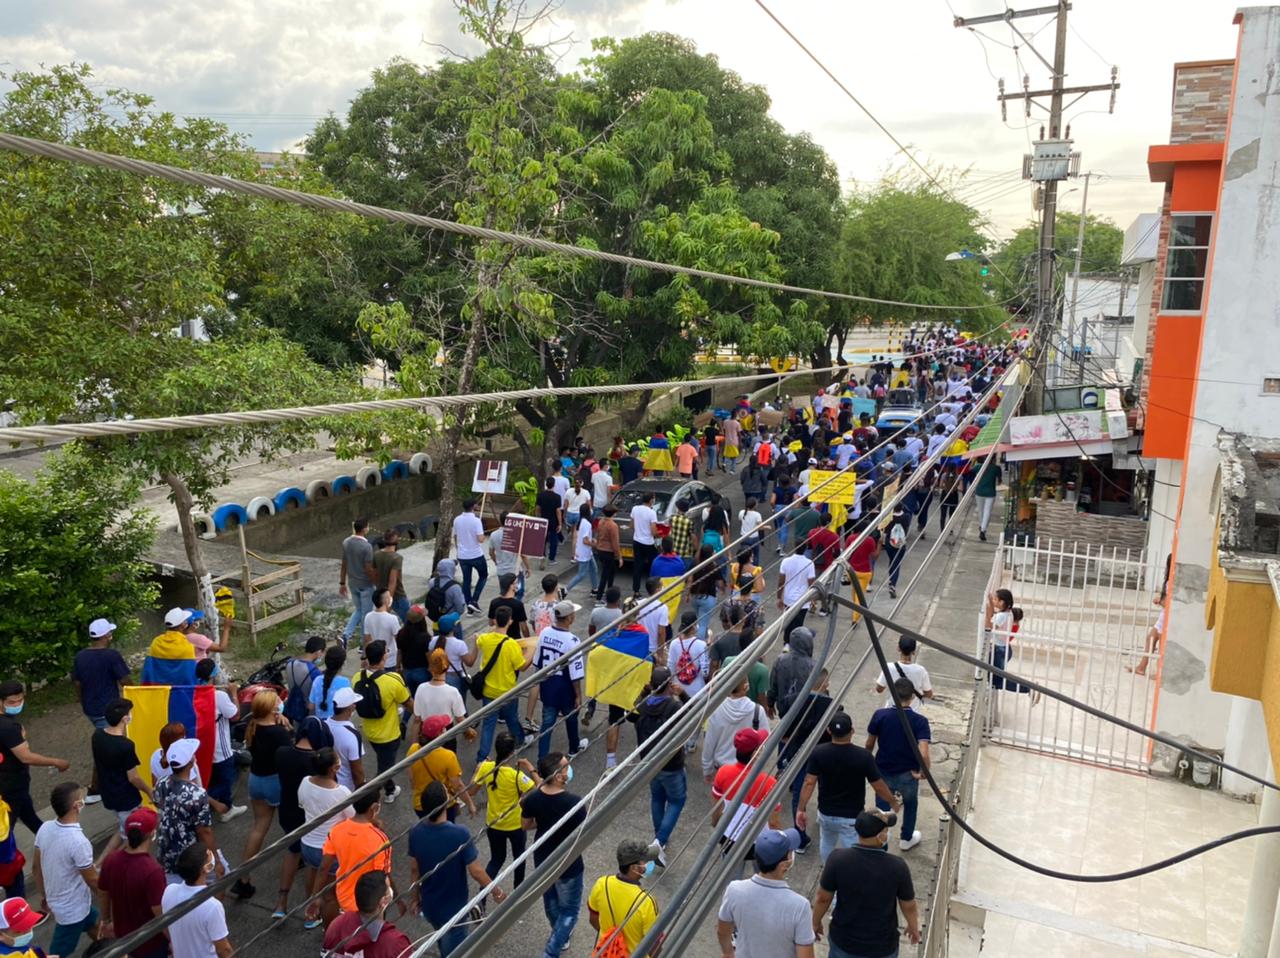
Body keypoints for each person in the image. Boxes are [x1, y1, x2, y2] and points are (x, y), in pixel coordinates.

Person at [409, 781, 504, 955]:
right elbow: (476, 871)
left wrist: (415, 898)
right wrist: (496, 891)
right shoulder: (460, 834)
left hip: (430, 906)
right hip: (454, 912)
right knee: (455, 950)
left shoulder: (415, 832)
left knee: (441, 938)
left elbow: (415, 869)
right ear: (446, 803)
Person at [812, 810, 919, 958]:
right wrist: (913, 926)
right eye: (886, 830)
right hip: (882, 946)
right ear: (880, 835)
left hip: (844, 941)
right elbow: (909, 905)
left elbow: (822, 898)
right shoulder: (897, 867)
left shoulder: (837, 859)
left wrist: (815, 922)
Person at [796, 712, 898, 861]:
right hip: (851, 817)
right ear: (852, 731)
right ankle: (849, 877)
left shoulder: (818, 753)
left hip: (826, 813)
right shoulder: (864, 756)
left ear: (829, 731)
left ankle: (828, 871)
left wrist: (801, 808)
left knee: (827, 842)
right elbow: (879, 786)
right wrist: (892, 801)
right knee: (853, 852)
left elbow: (809, 782)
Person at [520, 752, 586, 958]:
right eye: (566, 767)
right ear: (558, 776)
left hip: (543, 859)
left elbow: (525, 825)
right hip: (569, 863)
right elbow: (582, 831)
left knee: (550, 901)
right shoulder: (574, 803)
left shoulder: (533, 799)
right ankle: (553, 948)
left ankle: (560, 934)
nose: (569, 769)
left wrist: (544, 822)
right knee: (570, 910)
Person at [229, 689, 292, 900]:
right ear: (272, 708)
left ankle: (243, 876)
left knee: (259, 828)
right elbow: (288, 755)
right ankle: (296, 854)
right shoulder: (280, 733)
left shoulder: (253, 726)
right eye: (277, 702)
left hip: (256, 781)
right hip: (275, 782)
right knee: (290, 824)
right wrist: (288, 727)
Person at [717, 828, 815, 958]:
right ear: (784, 865)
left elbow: (722, 931)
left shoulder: (734, 890)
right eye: (790, 851)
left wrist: (728, 952)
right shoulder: (800, 906)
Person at [33, 783, 99, 957]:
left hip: (68, 904)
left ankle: (111, 948)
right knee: (58, 953)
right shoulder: (79, 842)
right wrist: (110, 900)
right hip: (72, 911)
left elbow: (36, 867)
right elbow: (93, 880)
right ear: (76, 806)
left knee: (96, 927)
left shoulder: (45, 828)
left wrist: (44, 895)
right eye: (81, 798)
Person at [272, 716, 328, 921]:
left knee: (292, 851)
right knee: (313, 865)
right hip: (307, 815)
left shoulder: (282, 753)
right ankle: (311, 910)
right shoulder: (316, 761)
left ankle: (281, 903)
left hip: (286, 811)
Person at [866, 678, 931, 852]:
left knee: (882, 807)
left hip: (882, 770)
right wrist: (924, 772)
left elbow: (870, 743)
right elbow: (923, 753)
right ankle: (906, 838)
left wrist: (868, 762)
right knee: (910, 804)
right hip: (908, 773)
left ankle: (882, 842)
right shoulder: (920, 721)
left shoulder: (880, 715)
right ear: (912, 697)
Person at [633, 667, 689, 865]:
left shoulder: (643, 704)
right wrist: (683, 694)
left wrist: (645, 691)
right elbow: (694, 714)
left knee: (657, 798)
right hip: (671, 764)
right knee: (677, 801)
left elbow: (633, 707)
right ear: (669, 685)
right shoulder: (673, 707)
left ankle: (660, 838)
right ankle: (659, 841)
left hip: (650, 762)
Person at [471, 731, 538, 889]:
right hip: (515, 825)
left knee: (496, 859)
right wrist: (530, 767)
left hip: (493, 824)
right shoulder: (516, 775)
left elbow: (471, 791)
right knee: (519, 858)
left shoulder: (486, 767)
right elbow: (538, 787)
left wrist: (477, 770)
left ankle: (482, 897)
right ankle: (517, 892)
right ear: (513, 752)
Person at [0, 681, 67, 837]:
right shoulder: (8, 727)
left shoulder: (8, 723)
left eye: (20, 700)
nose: (17, 705)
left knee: (28, 815)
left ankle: (49, 839)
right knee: (6, 826)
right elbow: (25, 757)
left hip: (13, 784)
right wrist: (56, 762)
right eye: (11, 702)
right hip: (11, 784)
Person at [97, 807, 166, 958]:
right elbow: (159, 913)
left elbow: (103, 892)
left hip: (123, 939)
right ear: (152, 833)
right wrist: (172, 938)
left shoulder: (111, 860)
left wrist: (106, 919)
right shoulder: (153, 871)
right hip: (151, 943)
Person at [711, 730, 782, 877]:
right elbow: (773, 822)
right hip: (760, 841)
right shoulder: (769, 783)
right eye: (760, 746)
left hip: (729, 836)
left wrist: (716, 825)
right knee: (765, 878)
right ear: (754, 753)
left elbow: (717, 808)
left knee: (731, 880)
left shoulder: (723, 772)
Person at [298, 747, 352, 929]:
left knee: (311, 872)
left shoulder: (305, 782)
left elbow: (301, 804)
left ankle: (312, 914)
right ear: (332, 770)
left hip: (307, 843)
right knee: (330, 897)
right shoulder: (341, 793)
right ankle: (329, 935)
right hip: (329, 850)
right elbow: (352, 817)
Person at [90, 698, 152, 857]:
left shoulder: (97, 736)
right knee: (129, 839)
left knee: (123, 829)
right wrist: (149, 791)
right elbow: (133, 778)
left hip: (109, 793)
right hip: (126, 798)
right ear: (125, 718)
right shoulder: (125, 746)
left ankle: (99, 862)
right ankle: (106, 865)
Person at [319, 791, 393, 920]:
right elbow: (382, 876)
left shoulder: (336, 829)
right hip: (370, 902)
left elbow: (324, 867)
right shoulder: (380, 839)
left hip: (343, 897)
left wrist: (316, 896)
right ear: (374, 807)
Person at [474, 606, 534, 762]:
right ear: (510, 622)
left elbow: (478, 639)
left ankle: (482, 758)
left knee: (488, 725)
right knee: (512, 719)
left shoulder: (486, 639)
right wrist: (532, 652)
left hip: (488, 691)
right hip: (508, 691)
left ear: (494, 621)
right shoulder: (511, 645)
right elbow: (522, 666)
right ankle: (520, 741)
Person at [354, 640, 410, 805]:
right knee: (385, 769)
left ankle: (390, 789)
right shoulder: (393, 679)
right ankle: (369, 798)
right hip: (389, 733)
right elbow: (408, 703)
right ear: (383, 657)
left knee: (383, 761)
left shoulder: (357, 677)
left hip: (370, 731)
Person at [587, 839, 661, 955]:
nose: (649, 863)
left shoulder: (602, 884)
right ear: (634, 868)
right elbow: (654, 945)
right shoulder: (647, 902)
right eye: (645, 861)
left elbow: (593, 919)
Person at [533, 602, 585, 759]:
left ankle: (542, 757)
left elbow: (537, 662)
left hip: (548, 687)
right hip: (565, 689)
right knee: (571, 718)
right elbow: (575, 673)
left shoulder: (545, 633)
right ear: (569, 618)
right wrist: (578, 694)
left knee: (547, 724)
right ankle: (573, 748)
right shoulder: (572, 641)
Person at [162, 843, 232, 958]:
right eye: (210, 856)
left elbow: (166, 927)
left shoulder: (169, 891)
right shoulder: (212, 907)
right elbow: (224, 949)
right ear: (207, 868)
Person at [322, 871, 413, 958]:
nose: (391, 890)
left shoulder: (336, 925)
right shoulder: (396, 944)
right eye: (389, 887)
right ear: (383, 901)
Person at [406, 715, 475, 821]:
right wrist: (470, 804)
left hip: (420, 804)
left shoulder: (413, 749)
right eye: (444, 728)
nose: (446, 729)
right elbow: (458, 786)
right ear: (439, 734)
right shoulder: (448, 756)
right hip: (443, 805)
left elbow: (411, 780)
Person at [72, 619, 130, 741]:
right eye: (110, 632)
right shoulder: (112, 655)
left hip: (90, 708)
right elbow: (124, 680)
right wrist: (136, 693)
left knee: (102, 734)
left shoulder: (80, 656)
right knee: (113, 740)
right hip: (108, 709)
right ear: (106, 636)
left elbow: (77, 683)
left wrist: (82, 701)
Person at [702, 685, 770, 783]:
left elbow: (709, 741)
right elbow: (767, 741)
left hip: (721, 770)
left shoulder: (716, 709)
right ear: (746, 686)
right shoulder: (758, 711)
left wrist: (707, 769)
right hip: (748, 771)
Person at [409, 649, 467, 744]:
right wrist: (468, 731)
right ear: (447, 667)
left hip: (426, 733)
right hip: (447, 733)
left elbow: (417, 720)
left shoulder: (421, 688)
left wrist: (414, 745)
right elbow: (460, 718)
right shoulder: (453, 692)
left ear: (430, 668)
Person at [340, 517, 377, 647]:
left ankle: (346, 635)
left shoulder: (346, 542)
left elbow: (344, 564)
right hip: (365, 585)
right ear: (365, 528)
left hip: (352, 583)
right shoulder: (367, 547)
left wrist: (342, 583)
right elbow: (368, 568)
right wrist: (376, 583)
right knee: (365, 616)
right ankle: (363, 644)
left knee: (358, 610)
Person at [768, 626, 817, 720]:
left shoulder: (780, 660)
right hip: (804, 711)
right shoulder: (813, 666)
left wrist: (770, 703)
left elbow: (773, 684)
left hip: (784, 708)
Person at [326, 687, 368, 792]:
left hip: (328, 782)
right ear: (350, 708)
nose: (355, 706)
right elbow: (357, 771)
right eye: (354, 704)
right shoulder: (352, 735)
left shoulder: (325, 725)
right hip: (347, 788)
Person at [873, 636, 934, 708]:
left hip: (891, 710)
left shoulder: (889, 667)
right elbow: (929, 694)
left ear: (898, 648)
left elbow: (879, 689)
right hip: (912, 713)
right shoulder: (921, 670)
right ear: (914, 651)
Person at [453, 499, 489, 614]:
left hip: (462, 555)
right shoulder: (476, 521)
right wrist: (483, 535)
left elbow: (455, 536)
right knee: (483, 576)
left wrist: (458, 549)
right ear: (473, 506)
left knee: (466, 580)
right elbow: (480, 539)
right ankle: (474, 600)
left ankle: (469, 605)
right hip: (476, 554)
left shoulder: (457, 519)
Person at [777, 541, 816, 644]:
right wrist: (813, 600)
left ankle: (786, 644)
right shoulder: (809, 563)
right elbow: (811, 584)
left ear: (795, 547)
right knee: (798, 625)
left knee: (787, 624)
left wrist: (778, 597)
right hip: (803, 601)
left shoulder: (785, 561)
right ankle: (793, 644)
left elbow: (781, 582)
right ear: (806, 548)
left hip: (788, 599)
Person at [489, 511, 531, 602]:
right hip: (515, 571)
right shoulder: (516, 535)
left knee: (504, 594)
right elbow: (523, 555)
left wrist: (496, 561)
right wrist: (528, 568)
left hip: (501, 571)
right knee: (519, 593)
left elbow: (491, 552)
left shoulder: (493, 535)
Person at [283, 636, 325, 723]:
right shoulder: (315, 672)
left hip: (292, 707)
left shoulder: (290, 664)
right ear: (319, 651)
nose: (322, 655)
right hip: (307, 713)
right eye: (322, 653)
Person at [371, 531, 409, 621]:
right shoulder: (397, 558)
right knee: (410, 622)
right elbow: (392, 581)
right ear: (397, 542)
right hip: (397, 594)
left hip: (381, 593)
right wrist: (389, 601)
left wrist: (379, 589)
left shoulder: (376, 554)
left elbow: (374, 574)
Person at [396, 607, 433, 697]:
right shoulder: (424, 637)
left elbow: (399, 652)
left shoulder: (401, 633)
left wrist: (398, 667)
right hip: (422, 671)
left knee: (414, 697)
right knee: (426, 698)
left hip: (407, 671)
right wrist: (433, 670)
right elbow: (428, 655)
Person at [425, 559, 468, 637]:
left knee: (439, 646)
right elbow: (460, 610)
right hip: (452, 624)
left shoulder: (432, 582)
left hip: (436, 621)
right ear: (451, 570)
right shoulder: (455, 587)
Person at [309, 644, 352, 720]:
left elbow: (311, 705)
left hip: (321, 724)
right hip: (337, 723)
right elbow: (349, 707)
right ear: (343, 663)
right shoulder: (345, 682)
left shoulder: (317, 680)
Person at [362, 589, 402, 670]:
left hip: (375, 659)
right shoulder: (392, 619)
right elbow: (399, 640)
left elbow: (367, 639)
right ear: (386, 600)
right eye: (389, 596)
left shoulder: (368, 616)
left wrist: (365, 657)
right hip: (390, 660)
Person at [565, 504, 599, 596]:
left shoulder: (581, 522)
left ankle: (595, 589)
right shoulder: (587, 524)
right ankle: (565, 590)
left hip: (586, 551)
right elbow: (585, 541)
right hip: (585, 552)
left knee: (594, 569)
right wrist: (594, 544)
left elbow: (583, 537)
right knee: (581, 574)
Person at [630, 491, 659, 595]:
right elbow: (653, 531)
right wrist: (659, 534)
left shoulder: (635, 509)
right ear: (651, 500)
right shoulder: (652, 513)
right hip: (648, 543)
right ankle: (653, 588)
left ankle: (636, 590)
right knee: (653, 565)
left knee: (637, 566)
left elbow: (632, 525)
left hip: (637, 541)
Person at [591, 506, 622, 603]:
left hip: (601, 550)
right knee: (606, 575)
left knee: (610, 573)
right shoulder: (613, 525)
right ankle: (599, 597)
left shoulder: (601, 522)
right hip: (609, 552)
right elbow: (615, 543)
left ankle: (609, 594)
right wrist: (619, 556)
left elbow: (598, 535)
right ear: (613, 514)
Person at [487, 573, 531, 642]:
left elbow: (491, 623)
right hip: (514, 640)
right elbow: (524, 628)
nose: (517, 585)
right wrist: (528, 640)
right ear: (511, 586)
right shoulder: (518, 604)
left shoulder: (494, 602)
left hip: (498, 640)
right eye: (516, 583)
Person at [536, 477, 565, 565]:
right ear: (554, 485)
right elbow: (558, 511)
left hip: (543, 520)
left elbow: (537, 508)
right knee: (553, 540)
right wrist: (560, 523)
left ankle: (542, 555)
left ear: (546, 484)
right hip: (553, 521)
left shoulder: (541, 495)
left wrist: (538, 518)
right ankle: (551, 558)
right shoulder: (557, 497)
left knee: (542, 540)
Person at [667, 501, 695, 565]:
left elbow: (669, 532)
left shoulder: (672, 518)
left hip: (674, 552)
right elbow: (693, 537)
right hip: (685, 554)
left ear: (678, 508)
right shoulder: (689, 522)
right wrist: (696, 550)